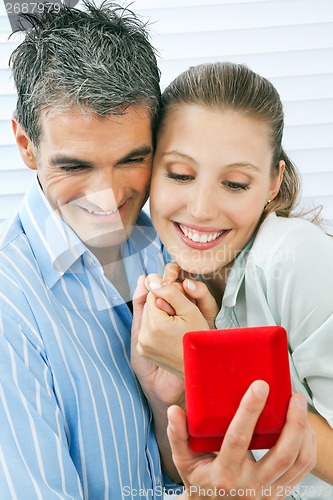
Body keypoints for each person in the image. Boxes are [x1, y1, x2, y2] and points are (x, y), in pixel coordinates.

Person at [0, 1, 315, 497]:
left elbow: (166, 473)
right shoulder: (10, 310)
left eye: (132, 159)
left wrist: (166, 396)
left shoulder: (163, 248)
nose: (109, 197)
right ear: (25, 144)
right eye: (76, 166)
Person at [133, 61, 333, 499]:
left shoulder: (295, 256)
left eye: (236, 183)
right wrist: (164, 393)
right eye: (181, 175)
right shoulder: (170, 280)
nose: (202, 208)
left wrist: (203, 368)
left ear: (273, 183)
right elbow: (192, 477)